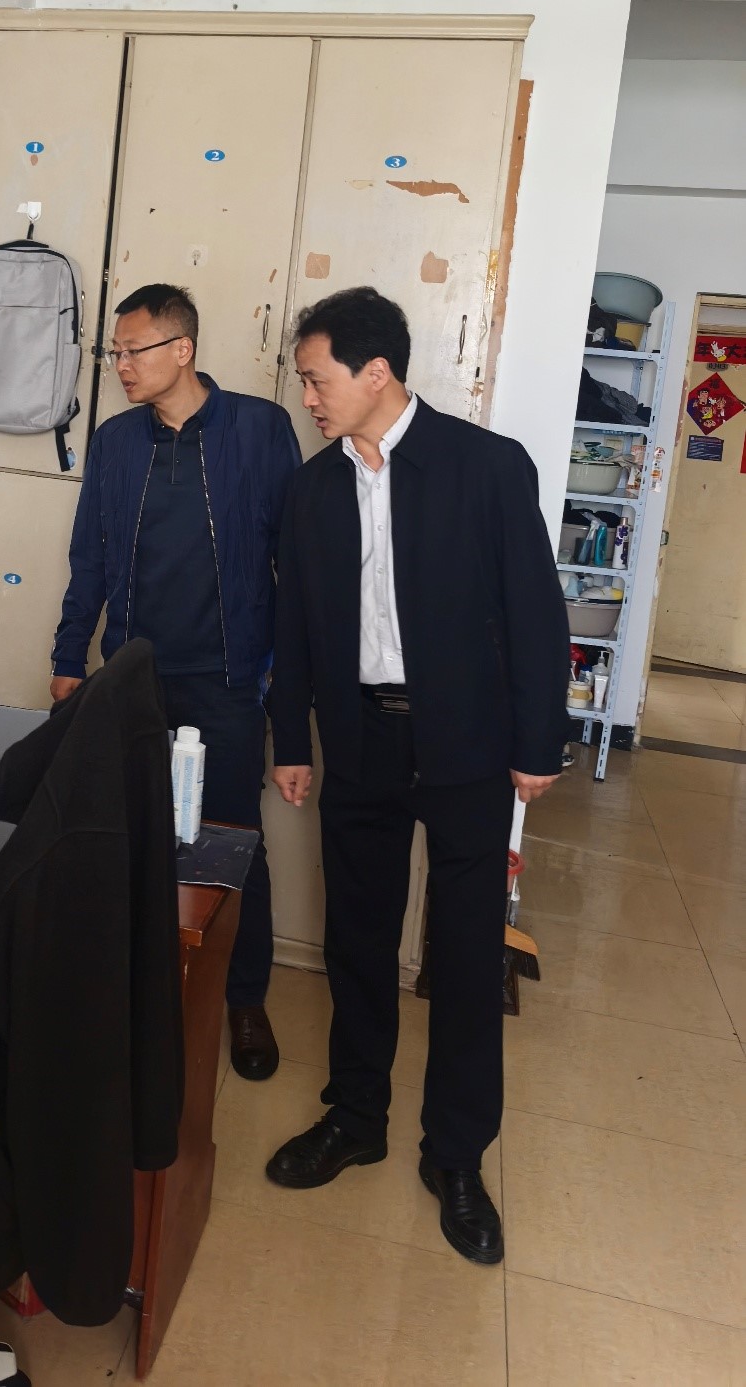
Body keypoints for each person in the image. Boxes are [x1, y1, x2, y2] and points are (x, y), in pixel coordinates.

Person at [265, 286, 568, 1264]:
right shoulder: (312, 489)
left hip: (468, 743)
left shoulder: (485, 467)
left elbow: (534, 612)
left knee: (467, 955)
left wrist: (539, 743)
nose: (307, 396)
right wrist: (291, 738)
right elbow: (294, 625)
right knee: (357, 938)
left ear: (376, 372)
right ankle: (355, 1116)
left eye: (316, 378)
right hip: (357, 739)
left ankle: (456, 1156)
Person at [51, 283, 302, 1080]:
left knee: (232, 842)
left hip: (227, 683)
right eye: (115, 353)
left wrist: (283, 683)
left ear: (182, 349)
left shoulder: (259, 430)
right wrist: (69, 657)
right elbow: (89, 557)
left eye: (134, 350)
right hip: (133, 679)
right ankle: (135, 985)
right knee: (124, 834)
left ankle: (244, 998)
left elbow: (293, 566)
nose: (121, 366)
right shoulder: (116, 442)